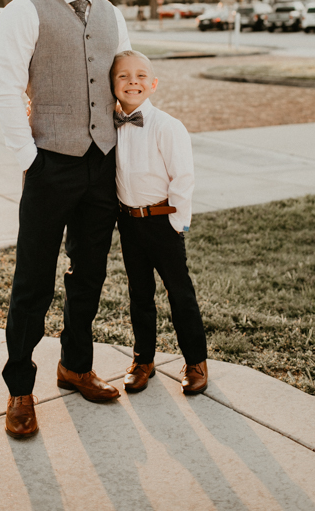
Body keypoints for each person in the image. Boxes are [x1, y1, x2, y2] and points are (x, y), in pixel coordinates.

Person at [0, 0, 131, 439]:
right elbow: (4, 90)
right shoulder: (25, 9)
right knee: (33, 281)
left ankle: (74, 365)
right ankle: (20, 390)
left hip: (102, 164)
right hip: (50, 163)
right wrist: (31, 160)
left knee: (89, 273)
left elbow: (127, 83)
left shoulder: (114, 15)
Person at [111, 50, 208, 395]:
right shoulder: (110, 125)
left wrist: (178, 223)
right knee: (139, 293)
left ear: (153, 85)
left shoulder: (167, 126)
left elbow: (183, 177)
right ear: (112, 84)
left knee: (179, 292)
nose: (132, 82)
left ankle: (195, 360)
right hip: (128, 222)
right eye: (123, 76)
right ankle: (143, 359)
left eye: (140, 76)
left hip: (162, 221)